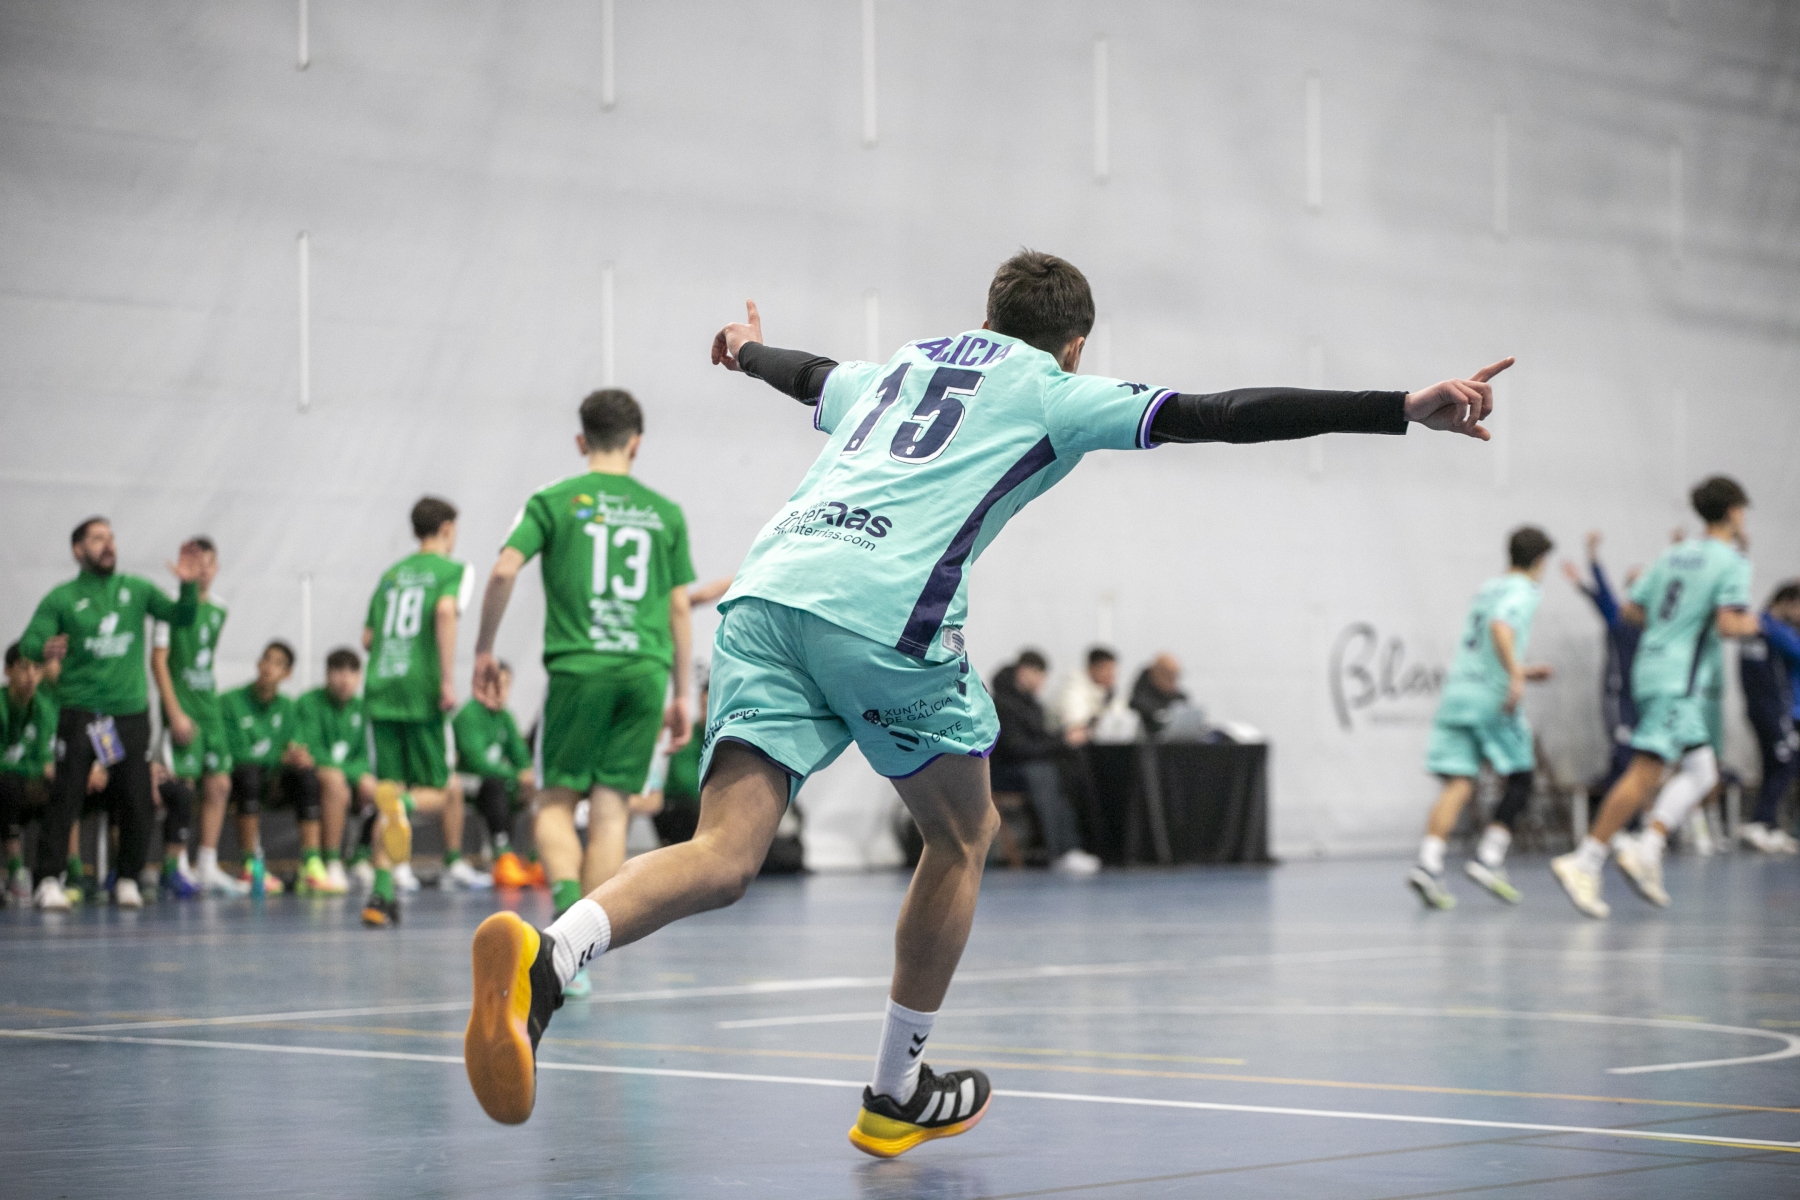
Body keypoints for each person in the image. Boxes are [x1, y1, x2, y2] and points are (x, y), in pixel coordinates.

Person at [460, 250, 1508, 1152]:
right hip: (881, 613)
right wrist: (1398, 408)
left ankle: (554, 957)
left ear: (991, 314)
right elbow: (1221, 415)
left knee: (725, 852)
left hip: (767, 594)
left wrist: (743, 350)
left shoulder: (903, 364)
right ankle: (894, 1092)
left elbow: (808, 373)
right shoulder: (1054, 389)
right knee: (964, 835)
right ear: (1075, 345)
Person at [466, 388, 695, 993]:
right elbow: (678, 607)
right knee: (612, 808)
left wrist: (484, 649)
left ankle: (561, 937)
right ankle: (578, 955)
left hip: (579, 667)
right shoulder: (665, 513)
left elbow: (503, 570)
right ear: (636, 444)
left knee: (555, 801)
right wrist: (682, 694)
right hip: (645, 670)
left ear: (580, 440)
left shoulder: (553, 500)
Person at [1551, 476, 1758, 918]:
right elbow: (1729, 624)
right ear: (1733, 512)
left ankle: (1649, 848)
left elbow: (1631, 611)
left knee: (1702, 771)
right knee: (1646, 771)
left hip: (1649, 668)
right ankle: (1585, 860)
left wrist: (1674, 624)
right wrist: (1761, 624)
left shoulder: (1671, 555)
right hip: (1677, 680)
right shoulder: (1732, 561)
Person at [16, 519, 202, 909]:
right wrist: (43, 647)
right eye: (98, 538)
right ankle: (48, 880)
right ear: (78, 550)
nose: (108, 544)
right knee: (66, 796)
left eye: (111, 537)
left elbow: (181, 617)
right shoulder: (63, 598)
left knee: (137, 799)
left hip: (129, 714)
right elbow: (30, 640)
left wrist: (188, 586)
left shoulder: (136, 589)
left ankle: (128, 878)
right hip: (81, 713)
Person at [1408, 527, 1555, 909]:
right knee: (1522, 776)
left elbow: (1484, 640)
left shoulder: (1488, 588)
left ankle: (1428, 864)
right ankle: (1490, 858)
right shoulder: (1526, 590)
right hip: (1491, 697)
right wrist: (1516, 674)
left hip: (1458, 692)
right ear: (1540, 561)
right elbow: (1500, 626)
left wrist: (1522, 669)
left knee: (1458, 783)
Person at [360, 497, 489, 927]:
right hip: (421, 690)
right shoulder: (454, 570)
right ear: (447, 529)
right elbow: (445, 611)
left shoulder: (391, 575)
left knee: (388, 792)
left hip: (382, 686)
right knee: (441, 789)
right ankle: (403, 804)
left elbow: (367, 638)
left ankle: (380, 895)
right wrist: (447, 680)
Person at [149, 534, 233, 897]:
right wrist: (174, 712)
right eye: (197, 564)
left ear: (216, 568)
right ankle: (177, 863)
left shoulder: (220, 609)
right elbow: (159, 661)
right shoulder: (170, 607)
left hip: (209, 707)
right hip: (182, 708)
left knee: (220, 784)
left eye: (209, 564)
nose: (204, 571)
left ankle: (208, 864)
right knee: (182, 785)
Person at [221, 641, 321, 894]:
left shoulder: (288, 707)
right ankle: (250, 864)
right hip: (240, 782)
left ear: (287, 674)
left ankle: (311, 864)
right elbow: (235, 753)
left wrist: (299, 756)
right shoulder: (230, 701)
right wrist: (278, 757)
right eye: (266, 659)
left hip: (274, 782)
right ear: (258, 663)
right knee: (249, 775)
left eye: (277, 664)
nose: (268, 667)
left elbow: (295, 745)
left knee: (308, 778)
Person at [990, 649, 1099, 875]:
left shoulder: (1032, 704)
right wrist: (1062, 742)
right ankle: (1059, 851)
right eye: (1040, 675)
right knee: (1044, 774)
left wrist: (1064, 738)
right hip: (1002, 771)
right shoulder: (1002, 704)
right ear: (1024, 672)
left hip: (1028, 767)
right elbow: (1015, 749)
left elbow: (1040, 740)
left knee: (1065, 769)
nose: (1042, 681)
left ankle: (1075, 846)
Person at [1561, 532, 1643, 801]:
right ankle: (1619, 816)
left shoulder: (1655, 624)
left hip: (1643, 700)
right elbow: (1603, 594)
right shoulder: (1619, 619)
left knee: (1642, 760)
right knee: (1623, 755)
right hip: (1618, 697)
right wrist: (1592, 555)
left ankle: (1634, 815)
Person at [451, 660, 539, 886]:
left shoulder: (505, 716)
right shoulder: (469, 714)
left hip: (499, 780)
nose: (500, 690)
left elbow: (521, 756)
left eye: (505, 685)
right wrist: (516, 775)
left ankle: (536, 857)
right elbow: (476, 762)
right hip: (469, 781)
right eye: (495, 683)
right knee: (495, 785)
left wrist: (527, 774)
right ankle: (503, 856)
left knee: (536, 786)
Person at [292, 647, 370, 893]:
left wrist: (356, 776)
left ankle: (362, 856)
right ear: (327, 675)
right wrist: (347, 775)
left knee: (383, 786)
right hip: (313, 778)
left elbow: (368, 756)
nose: (345, 679)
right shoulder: (308, 702)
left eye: (352, 672)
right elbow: (310, 751)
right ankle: (332, 860)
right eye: (338, 672)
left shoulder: (365, 709)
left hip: (349, 777)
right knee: (336, 782)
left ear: (359, 677)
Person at [1739, 582, 1800, 852]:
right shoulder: (1769, 628)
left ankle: (1769, 825)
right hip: (1774, 709)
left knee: (1775, 764)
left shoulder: (1765, 627)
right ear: (1787, 602)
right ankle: (1760, 821)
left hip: (1767, 708)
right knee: (1786, 762)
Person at [1, 641, 61, 900]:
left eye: (36, 669)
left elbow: (44, 758)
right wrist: (35, 768)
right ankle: (16, 870)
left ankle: (53, 873)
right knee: (9, 786)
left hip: (26, 785)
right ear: (8, 671)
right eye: (24, 668)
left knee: (62, 790)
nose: (31, 676)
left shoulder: (43, 708)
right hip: (7, 786)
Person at [1052, 646, 1136, 743]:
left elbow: (1120, 722)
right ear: (1092, 668)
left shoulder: (1110, 694)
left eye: (1113, 670)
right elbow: (1076, 726)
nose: (1112, 675)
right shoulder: (1072, 690)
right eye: (1107, 670)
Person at [1129, 654, 1187, 736]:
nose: (1173, 680)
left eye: (1175, 675)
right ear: (1156, 673)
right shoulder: (1139, 701)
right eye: (1169, 675)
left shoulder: (1179, 698)